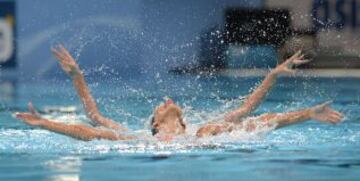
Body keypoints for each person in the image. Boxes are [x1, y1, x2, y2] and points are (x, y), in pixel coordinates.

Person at [15, 45, 343, 141]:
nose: (164, 101)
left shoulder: (204, 131)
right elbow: (92, 124)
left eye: (164, 104)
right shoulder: (143, 140)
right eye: (159, 106)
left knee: (239, 124)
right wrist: (76, 77)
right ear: (155, 124)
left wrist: (273, 75)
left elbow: (250, 113)